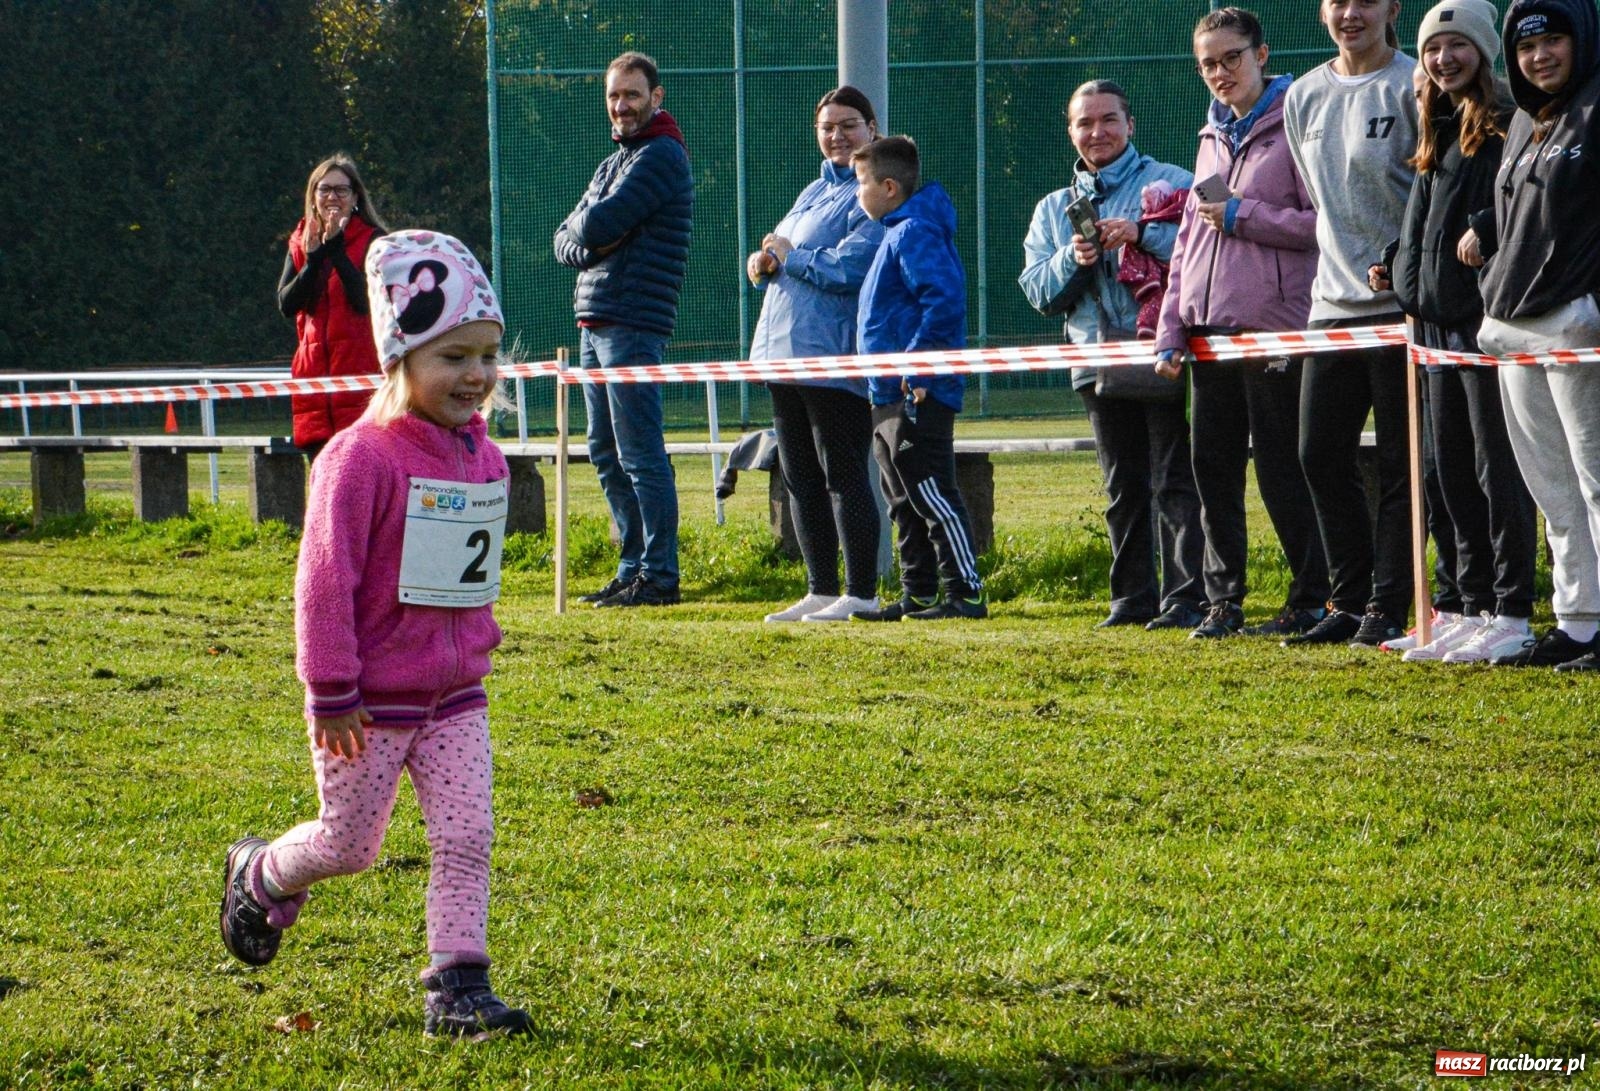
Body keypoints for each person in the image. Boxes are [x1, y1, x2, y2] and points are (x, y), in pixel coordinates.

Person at [220, 231, 531, 1038]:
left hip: (457, 697)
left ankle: (457, 986)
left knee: (467, 835)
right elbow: (324, 582)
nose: (476, 375)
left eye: (488, 356)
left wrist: (477, 645)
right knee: (351, 843)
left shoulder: (487, 461)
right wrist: (331, 689)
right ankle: (260, 872)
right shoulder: (358, 459)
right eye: (453, 356)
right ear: (401, 359)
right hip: (365, 705)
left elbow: (469, 580)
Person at [1153, 7, 1331, 640]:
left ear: (1262, 54)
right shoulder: (1209, 135)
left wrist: (1243, 215)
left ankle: (1314, 598)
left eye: (1231, 57)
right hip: (1208, 336)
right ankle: (1221, 601)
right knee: (1214, 471)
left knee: (1284, 469)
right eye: (1208, 63)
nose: (1220, 73)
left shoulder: (1300, 121)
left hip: (1276, 330)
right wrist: (1172, 327)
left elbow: (1323, 226)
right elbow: (1188, 246)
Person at [1379, 0, 1540, 662]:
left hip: (1482, 328)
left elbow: (1527, 205)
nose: (1444, 59)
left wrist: (1489, 229)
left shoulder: (1510, 120)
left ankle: (1510, 609)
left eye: (1457, 46)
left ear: (1483, 49)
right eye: (1433, 48)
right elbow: (1427, 220)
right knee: (1446, 471)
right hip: (1430, 328)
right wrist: (1394, 264)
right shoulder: (1436, 123)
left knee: (1493, 469)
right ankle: (1464, 604)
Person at [1020, 80, 1205, 632]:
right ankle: (1130, 599)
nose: (1096, 132)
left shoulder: (1170, 182)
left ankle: (1186, 598)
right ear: (1069, 129)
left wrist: (1142, 233)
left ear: (1130, 124)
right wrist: (1072, 259)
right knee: (1122, 484)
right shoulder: (1054, 208)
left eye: (1108, 120)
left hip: (1167, 353)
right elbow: (1036, 291)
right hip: (1096, 361)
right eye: (1084, 122)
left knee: (1176, 478)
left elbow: (1206, 249)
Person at [1280, 0, 1419, 647]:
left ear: (1392, 7)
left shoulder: (1415, 82)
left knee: (1402, 463)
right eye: (1337, 1)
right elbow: (1319, 201)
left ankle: (1389, 606)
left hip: (1403, 312)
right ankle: (1348, 598)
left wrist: (1404, 270)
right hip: (1329, 311)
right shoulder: (1303, 95)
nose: (1350, 12)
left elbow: (1430, 194)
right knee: (1317, 455)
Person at [1474, 0, 1600, 668]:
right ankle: (1578, 620)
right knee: (1553, 488)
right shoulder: (1523, 120)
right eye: (1526, 47)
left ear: (1582, 38)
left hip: (1578, 328)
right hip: (1512, 329)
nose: (1540, 56)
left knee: (1597, 480)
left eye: (1554, 40)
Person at [554, 52, 694, 608]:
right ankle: (632, 565)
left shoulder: (661, 155)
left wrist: (591, 230)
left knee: (639, 452)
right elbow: (565, 238)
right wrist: (590, 238)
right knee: (605, 451)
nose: (621, 105)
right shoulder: (616, 161)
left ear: (656, 98)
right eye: (614, 96)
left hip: (633, 322)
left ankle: (660, 575)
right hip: (597, 320)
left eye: (632, 95)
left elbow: (595, 222)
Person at [748, 87, 886, 623]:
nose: (837, 136)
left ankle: (861, 591)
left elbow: (853, 266)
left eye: (848, 125)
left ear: (871, 129)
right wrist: (763, 263)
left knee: (843, 471)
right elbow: (785, 254)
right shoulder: (811, 190)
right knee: (800, 474)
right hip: (780, 353)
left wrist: (791, 257)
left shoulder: (872, 191)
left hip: (832, 357)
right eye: (827, 126)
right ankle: (821, 588)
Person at [844, 136, 986, 622]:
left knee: (931, 493)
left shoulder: (914, 233)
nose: (856, 192)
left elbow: (943, 303)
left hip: (916, 393)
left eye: (861, 182)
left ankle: (964, 593)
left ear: (888, 187)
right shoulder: (895, 233)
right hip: (886, 392)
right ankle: (919, 593)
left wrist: (920, 369)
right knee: (902, 498)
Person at [277, 155, 387, 461]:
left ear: (355, 197)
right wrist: (313, 262)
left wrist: (337, 253)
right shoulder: (300, 241)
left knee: (363, 478)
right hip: (314, 385)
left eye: (341, 190)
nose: (332, 197)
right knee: (323, 486)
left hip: (361, 381)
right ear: (313, 196)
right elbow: (287, 304)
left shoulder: (374, 241)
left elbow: (366, 303)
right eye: (324, 189)